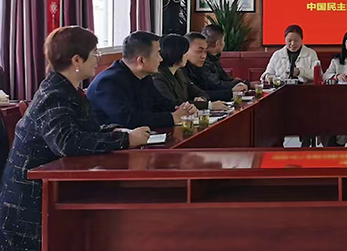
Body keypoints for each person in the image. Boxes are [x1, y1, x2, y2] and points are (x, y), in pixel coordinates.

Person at [0, 27, 149, 251]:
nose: (98, 58)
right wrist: (125, 141)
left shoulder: (68, 89)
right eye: (95, 53)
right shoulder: (54, 95)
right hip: (32, 200)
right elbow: (68, 142)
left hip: (53, 189)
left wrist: (120, 132)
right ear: (77, 59)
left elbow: (84, 129)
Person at [87, 31, 196, 129]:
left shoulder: (144, 76)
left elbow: (160, 103)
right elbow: (128, 119)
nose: (161, 59)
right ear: (141, 61)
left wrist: (182, 109)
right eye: (158, 53)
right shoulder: (108, 82)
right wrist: (172, 117)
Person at [152, 34, 231, 108]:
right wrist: (208, 105)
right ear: (175, 53)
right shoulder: (158, 77)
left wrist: (201, 98)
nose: (187, 55)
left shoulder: (180, 73)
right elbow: (173, 104)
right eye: (185, 52)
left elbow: (199, 92)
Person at [182, 33, 247, 98]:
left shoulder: (199, 68)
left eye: (205, 52)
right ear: (185, 50)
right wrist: (231, 92)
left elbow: (207, 90)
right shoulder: (181, 71)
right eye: (199, 51)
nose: (204, 56)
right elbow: (196, 95)